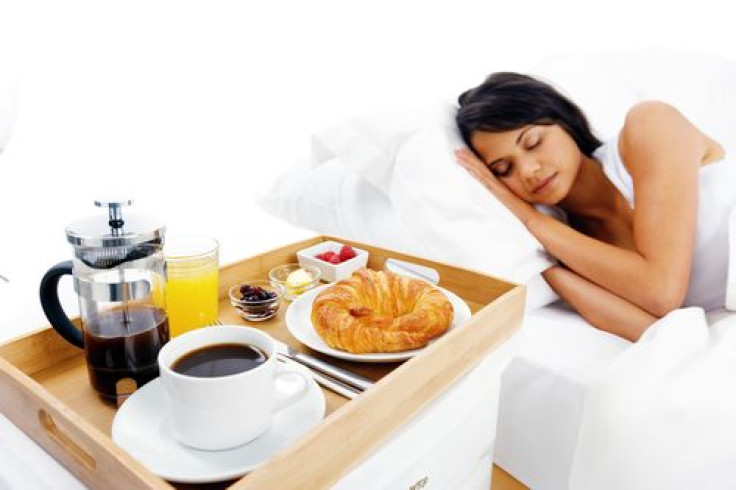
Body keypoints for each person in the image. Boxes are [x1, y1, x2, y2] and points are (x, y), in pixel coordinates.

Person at [455, 72, 734, 341]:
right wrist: (542, 268)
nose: (528, 170)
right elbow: (654, 331)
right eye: (504, 169)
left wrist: (531, 219)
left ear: (564, 121)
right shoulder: (570, 244)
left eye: (533, 142)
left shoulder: (649, 125)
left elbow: (662, 292)